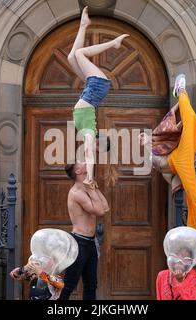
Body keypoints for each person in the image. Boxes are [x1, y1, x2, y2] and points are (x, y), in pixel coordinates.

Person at [141, 74, 196, 240]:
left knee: (189, 122)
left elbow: (192, 191)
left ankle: (180, 92)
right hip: (178, 161)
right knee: (190, 121)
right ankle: (180, 92)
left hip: (179, 161)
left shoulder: (179, 159)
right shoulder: (181, 155)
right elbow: (193, 190)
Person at [68, 6, 129, 190]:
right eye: (96, 148)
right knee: (80, 54)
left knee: (72, 57)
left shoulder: (88, 131)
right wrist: (90, 177)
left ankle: (83, 25)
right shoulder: (89, 134)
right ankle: (114, 43)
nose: (92, 149)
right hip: (97, 86)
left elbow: (90, 154)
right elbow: (89, 156)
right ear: (97, 143)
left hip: (90, 90)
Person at [59, 161, 110, 300]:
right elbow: (100, 211)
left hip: (90, 242)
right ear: (78, 172)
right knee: (69, 284)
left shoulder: (86, 190)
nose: (86, 162)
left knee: (91, 284)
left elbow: (105, 207)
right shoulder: (76, 193)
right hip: (78, 243)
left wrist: (93, 187)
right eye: (81, 163)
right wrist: (92, 190)